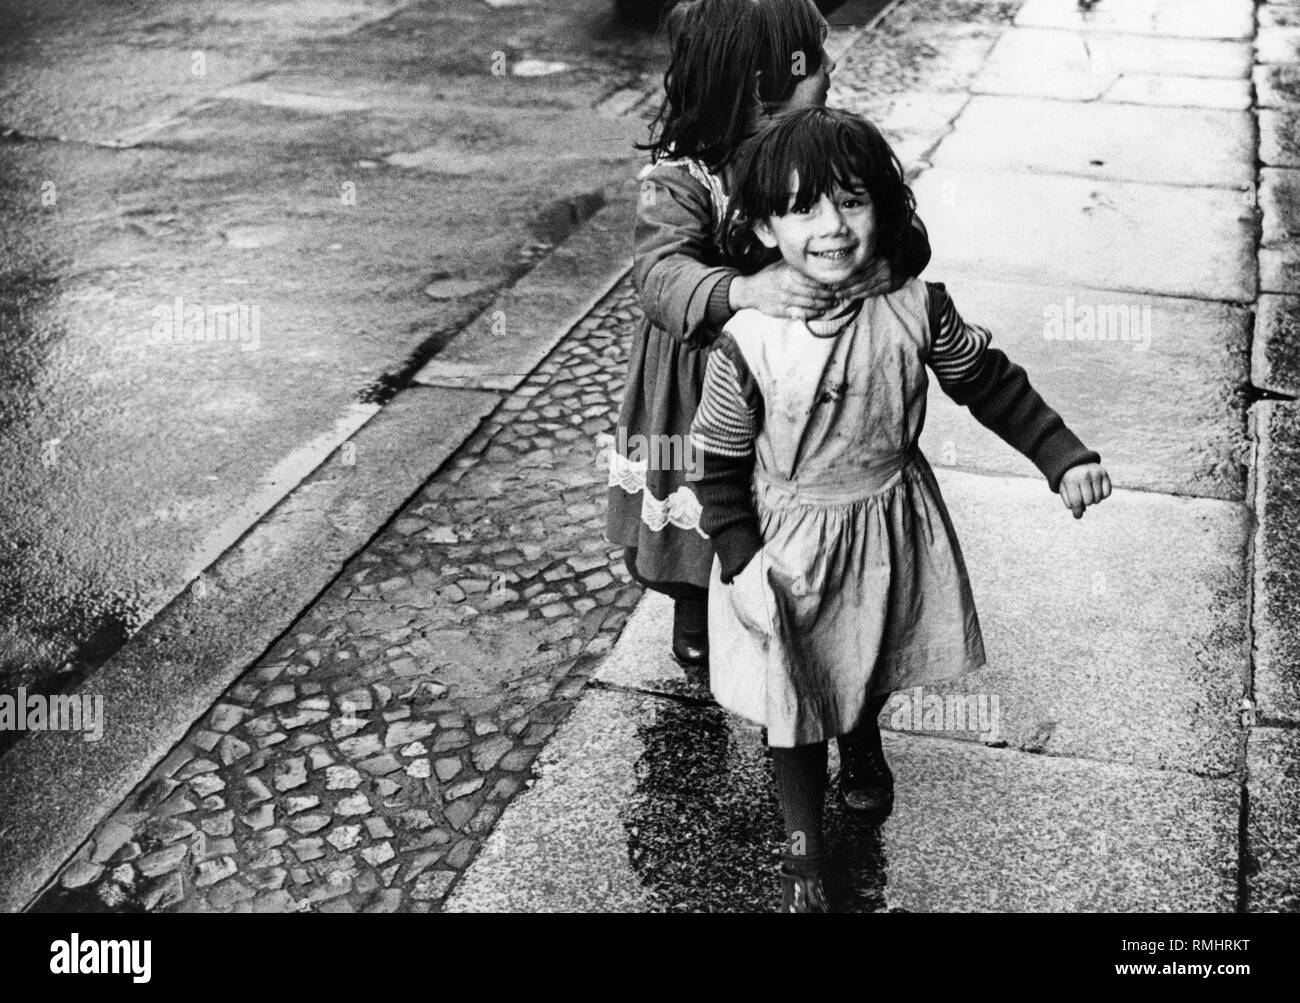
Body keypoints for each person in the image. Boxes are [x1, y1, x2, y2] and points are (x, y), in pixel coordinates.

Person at [689, 106, 1111, 912]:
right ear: (766, 227)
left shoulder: (917, 306)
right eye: (802, 208)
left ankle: (865, 735)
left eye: (851, 200)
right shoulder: (749, 339)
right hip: (790, 544)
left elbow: (987, 381)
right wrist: (738, 556)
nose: (832, 226)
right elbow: (715, 460)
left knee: (871, 660)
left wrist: (1062, 456)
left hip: (887, 518)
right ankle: (803, 852)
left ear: (884, 204)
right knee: (794, 698)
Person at [606, 0, 932, 689]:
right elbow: (659, 274)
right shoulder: (683, 179)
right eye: (815, 59)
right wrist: (742, 292)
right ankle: (695, 611)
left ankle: (793, 611)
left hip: (796, 384)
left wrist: (887, 260)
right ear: (765, 85)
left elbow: (891, 212)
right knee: (703, 500)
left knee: (782, 503)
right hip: (702, 382)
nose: (832, 67)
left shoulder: (820, 151)